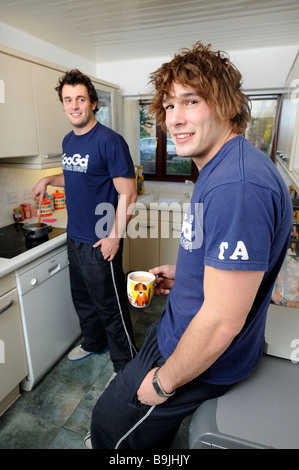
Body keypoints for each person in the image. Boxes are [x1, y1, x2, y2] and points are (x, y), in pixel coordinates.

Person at [88, 42, 293, 449]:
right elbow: (231, 268)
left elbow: (220, 321)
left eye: (190, 101)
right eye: (167, 106)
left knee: (110, 430)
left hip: (196, 358)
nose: (174, 119)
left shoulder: (237, 186)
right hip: (175, 333)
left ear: (226, 105)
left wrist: (162, 385)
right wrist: (186, 274)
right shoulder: (222, 168)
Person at [32, 69, 137, 373]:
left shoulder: (109, 141)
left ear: (92, 103)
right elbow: (76, 173)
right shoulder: (68, 141)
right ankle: (94, 342)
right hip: (74, 235)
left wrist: (115, 237)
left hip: (101, 239)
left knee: (111, 306)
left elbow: (128, 195)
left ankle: (126, 365)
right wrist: (49, 178)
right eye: (68, 100)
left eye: (80, 99)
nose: (74, 105)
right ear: (63, 104)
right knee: (84, 300)